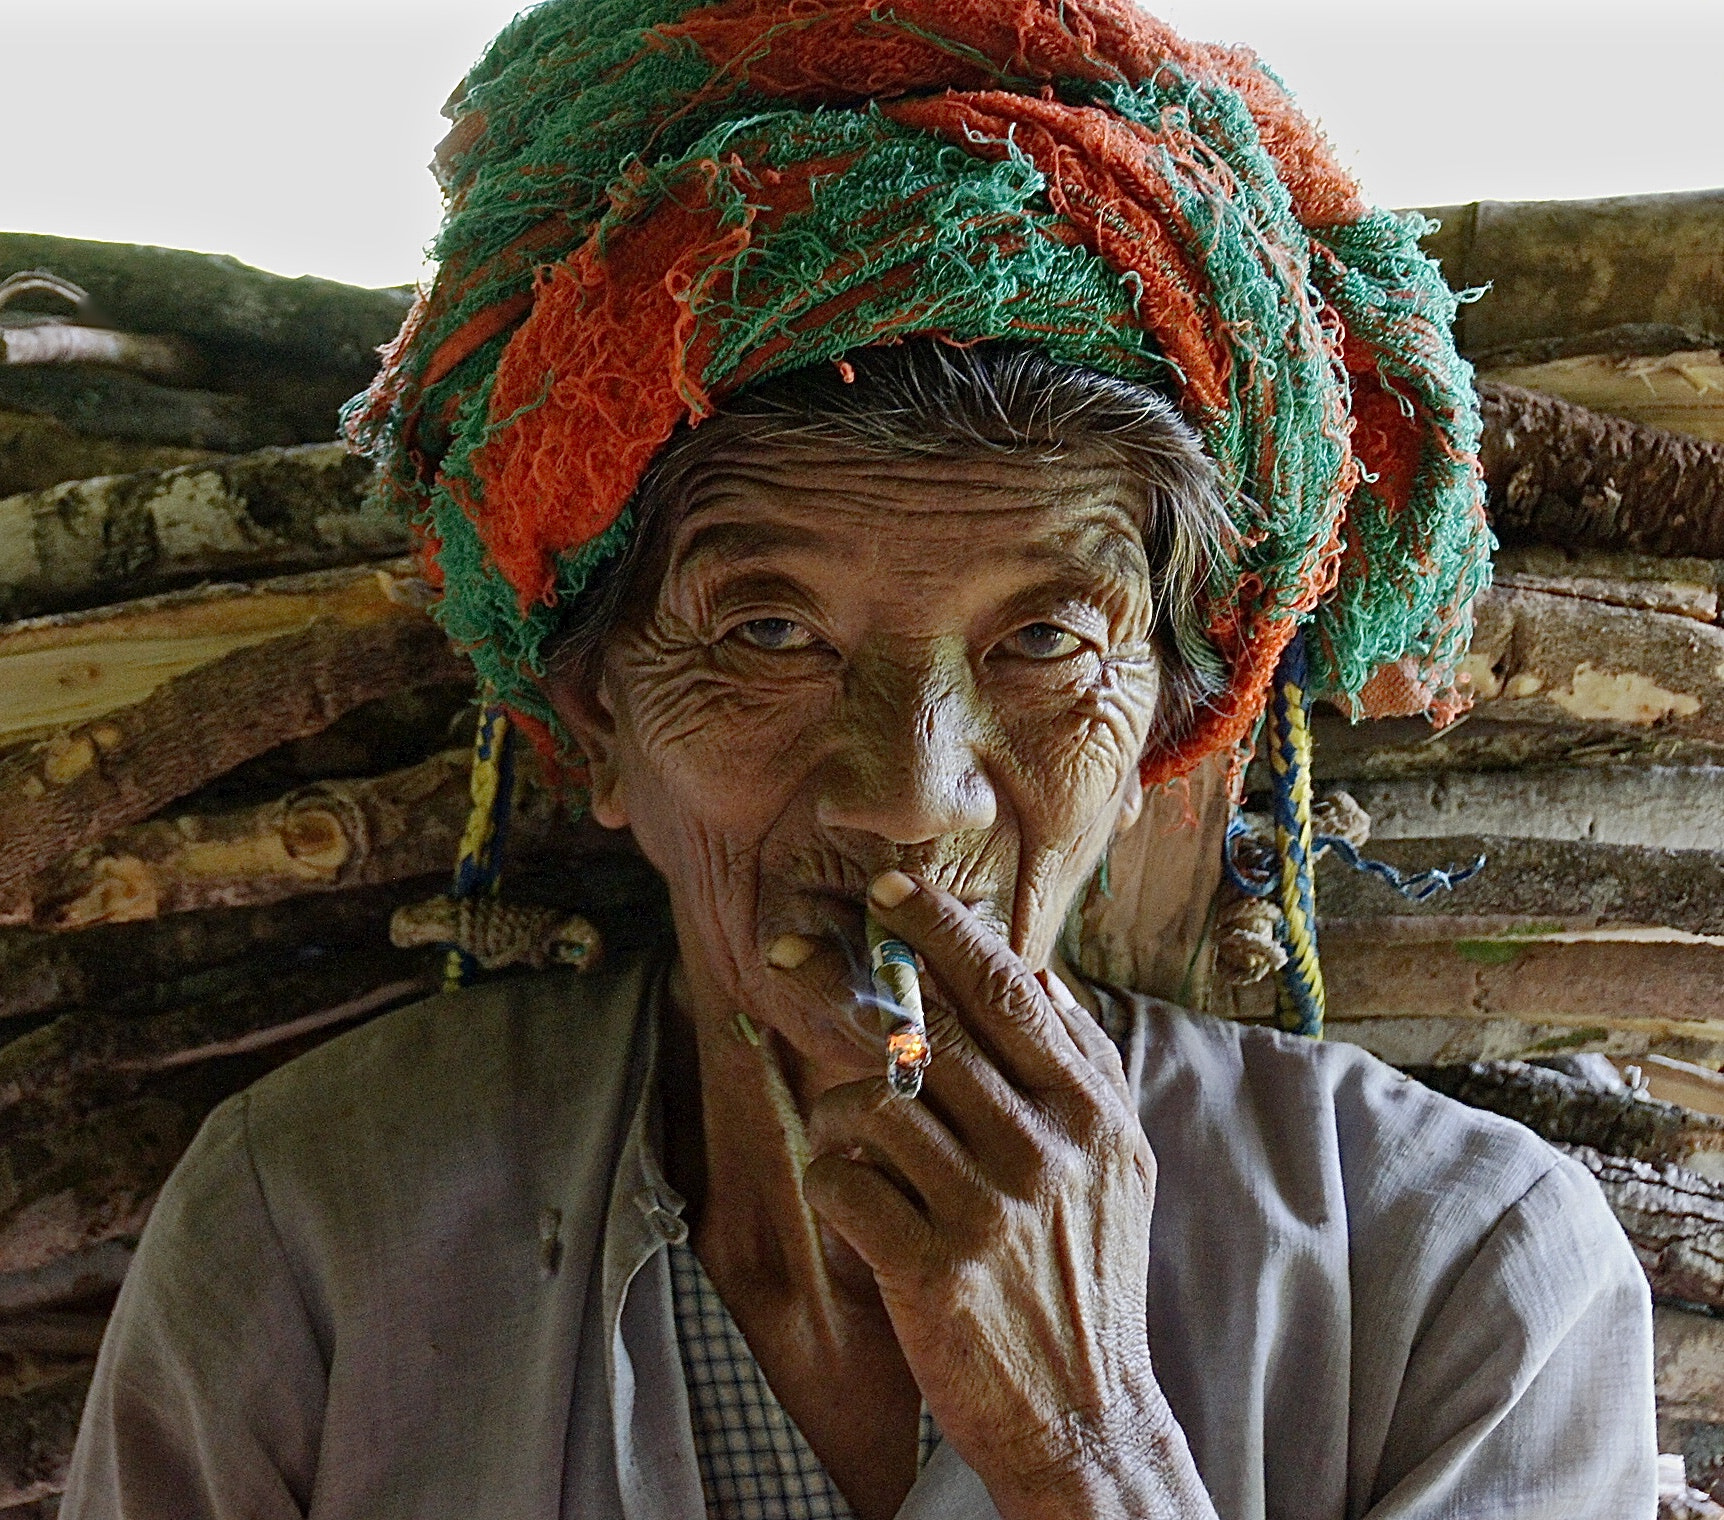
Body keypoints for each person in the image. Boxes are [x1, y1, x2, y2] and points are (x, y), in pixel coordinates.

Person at [62, 3, 1656, 1518]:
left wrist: (1089, 1445)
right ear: (595, 723)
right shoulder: (307, 1244)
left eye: (1045, 643)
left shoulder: (1466, 1279)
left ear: (1171, 724)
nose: (906, 791)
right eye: (766, 633)